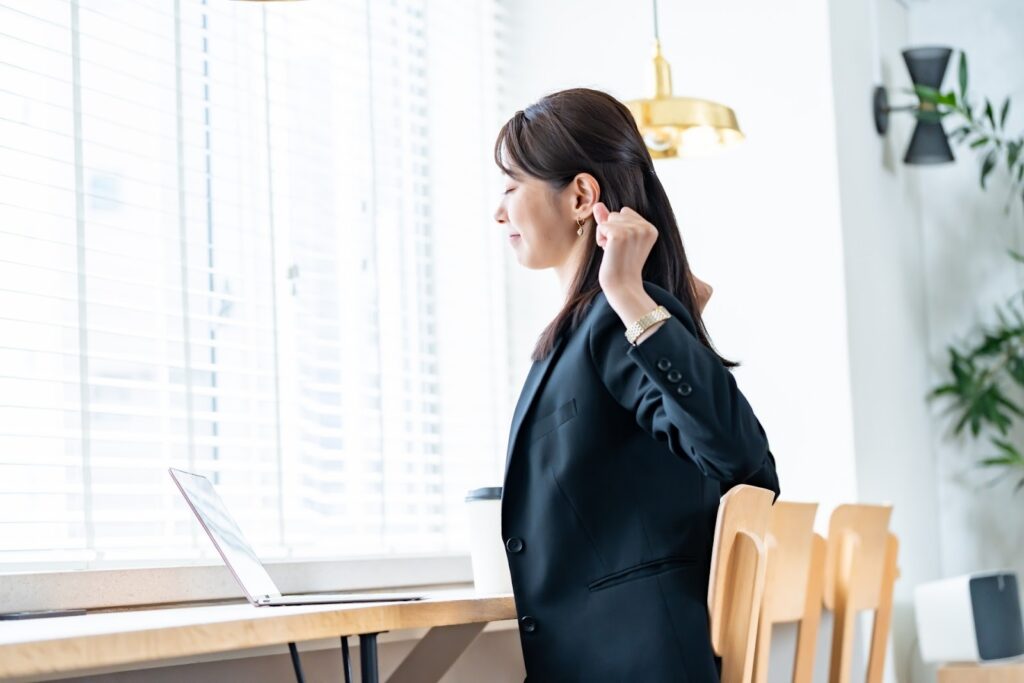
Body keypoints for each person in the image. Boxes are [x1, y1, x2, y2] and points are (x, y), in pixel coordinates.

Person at [493, 87, 780, 682]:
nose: (499, 212)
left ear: (580, 196)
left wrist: (634, 298)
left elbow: (742, 459)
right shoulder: (583, 330)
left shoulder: (615, 320)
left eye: (510, 186)